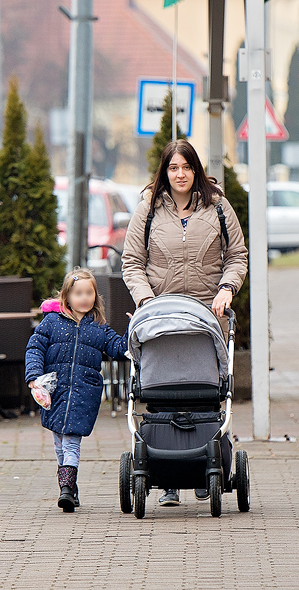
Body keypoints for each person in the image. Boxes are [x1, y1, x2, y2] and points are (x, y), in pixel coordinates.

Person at [121, 139, 248, 507]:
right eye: (174, 168)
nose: (180, 175)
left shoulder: (218, 207)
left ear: (196, 170)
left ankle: (205, 463)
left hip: (208, 317)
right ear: (165, 171)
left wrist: (226, 288)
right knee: (161, 392)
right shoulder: (147, 209)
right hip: (160, 320)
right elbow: (131, 262)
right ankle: (167, 478)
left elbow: (237, 255)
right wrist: (146, 302)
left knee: (206, 392)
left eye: (187, 167)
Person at [25, 268, 128, 512]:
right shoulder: (51, 322)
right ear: (66, 297)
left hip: (84, 393)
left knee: (71, 441)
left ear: (95, 296)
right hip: (55, 392)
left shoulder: (99, 327)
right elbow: (34, 348)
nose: (83, 298)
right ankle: (69, 485)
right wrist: (33, 377)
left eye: (88, 293)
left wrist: (134, 328)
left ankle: (67, 490)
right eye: (78, 293)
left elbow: (119, 349)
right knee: (59, 442)